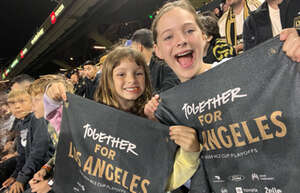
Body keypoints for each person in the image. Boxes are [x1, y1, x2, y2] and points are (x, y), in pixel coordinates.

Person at [145, 0, 300, 192]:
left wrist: (292, 52)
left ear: (204, 36)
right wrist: (157, 125)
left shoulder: (242, 72)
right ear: (157, 50)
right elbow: (176, 181)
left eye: (189, 31)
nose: (181, 40)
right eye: (168, 36)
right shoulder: (166, 110)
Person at [45, 47, 201, 192]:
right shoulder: (91, 118)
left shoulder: (156, 116)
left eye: (138, 73)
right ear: (108, 79)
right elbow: (58, 120)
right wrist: (51, 97)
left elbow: (166, 180)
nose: (131, 80)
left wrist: (190, 151)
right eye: (121, 74)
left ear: (146, 77)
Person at [1, 89, 54, 193]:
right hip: (31, 172)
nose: (17, 106)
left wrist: (21, 179)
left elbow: (38, 153)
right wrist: (15, 176)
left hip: (45, 173)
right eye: (12, 103)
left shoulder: (37, 118)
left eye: (22, 101)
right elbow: (22, 157)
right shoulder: (20, 124)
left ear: (31, 102)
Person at [130, 28, 180, 93]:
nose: (131, 54)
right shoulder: (143, 68)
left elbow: (170, 91)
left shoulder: (165, 66)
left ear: (139, 48)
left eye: (132, 49)